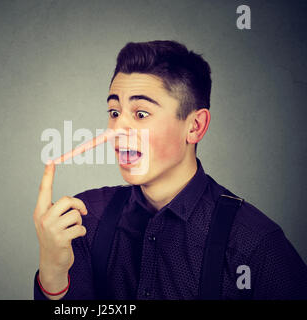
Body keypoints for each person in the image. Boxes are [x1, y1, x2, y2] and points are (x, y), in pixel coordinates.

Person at [33, 40, 307, 300]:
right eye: (114, 112)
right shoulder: (84, 220)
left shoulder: (254, 243)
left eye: (141, 114)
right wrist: (53, 275)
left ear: (195, 126)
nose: (116, 130)